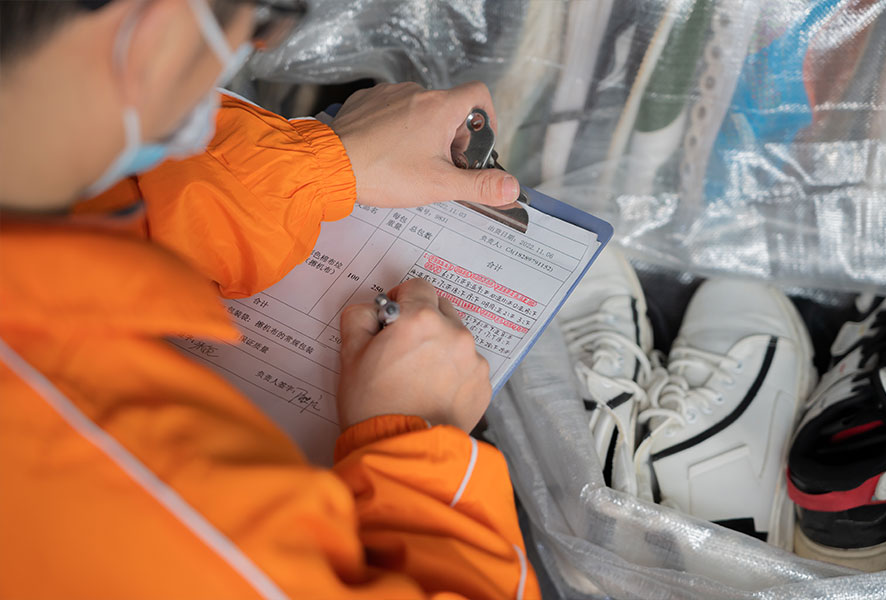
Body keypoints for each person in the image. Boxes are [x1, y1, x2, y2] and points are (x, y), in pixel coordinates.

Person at [0, 1, 539, 597]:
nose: (254, 48)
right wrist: (419, 438)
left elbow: (82, 204)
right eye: (261, 23)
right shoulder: (174, 500)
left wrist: (317, 167)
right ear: (149, 31)